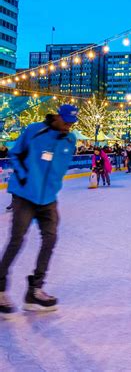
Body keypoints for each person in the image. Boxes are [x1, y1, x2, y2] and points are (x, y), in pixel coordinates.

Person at [0, 104, 78, 317]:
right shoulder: (34, 131)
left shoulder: (70, 140)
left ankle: (35, 290)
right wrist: (25, 176)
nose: (69, 126)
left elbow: (59, 167)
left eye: (72, 122)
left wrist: (53, 188)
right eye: (66, 121)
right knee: (17, 239)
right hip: (25, 195)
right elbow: (14, 154)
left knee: (50, 239)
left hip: (48, 199)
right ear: (57, 117)